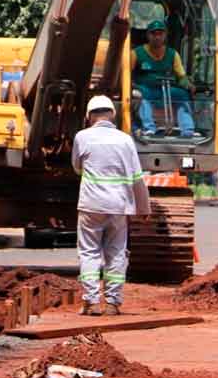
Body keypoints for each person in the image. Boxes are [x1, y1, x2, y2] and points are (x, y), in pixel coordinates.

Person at [72, 95, 151, 316]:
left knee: (89, 253)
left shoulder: (82, 137)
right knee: (116, 253)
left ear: (89, 116)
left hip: (91, 206)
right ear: (112, 115)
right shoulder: (125, 140)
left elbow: (77, 167)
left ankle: (91, 302)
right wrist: (143, 208)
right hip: (119, 207)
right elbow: (137, 177)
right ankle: (113, 303)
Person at [131, 20, 196, 137]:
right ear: (148, 35)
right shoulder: (136, 53)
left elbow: (181, 76)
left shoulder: (173, 54)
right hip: (144, 89)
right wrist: (133, 85)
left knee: (183, 95)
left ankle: (188, 130)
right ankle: (149, 128)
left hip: (165, 89)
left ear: (165, 35)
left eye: (160, 34)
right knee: (141, 95)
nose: (157, 37)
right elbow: (127, 74)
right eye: (154, 34)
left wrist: (187, 84)